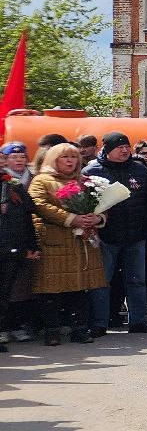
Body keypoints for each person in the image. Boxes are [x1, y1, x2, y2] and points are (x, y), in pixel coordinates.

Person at [27, 143, 107, 345]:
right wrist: (71, 218)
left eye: (74, 157)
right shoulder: (41, 181)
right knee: (52, 289)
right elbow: (40, 206)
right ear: (53, 160)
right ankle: (52, 331)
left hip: (82, 244)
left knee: (80, 289)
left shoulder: (85, 181)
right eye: (65, 157)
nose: (70, 161)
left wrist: (97, 219)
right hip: (53, 242)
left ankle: (79, 328)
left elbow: (101, 205)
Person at [84, 131, 147, 333]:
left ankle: (138, 321)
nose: (125, 150)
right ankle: (99, 323)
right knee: (102, 281)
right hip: (105, 236)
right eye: (119, 147)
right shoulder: (93, 171)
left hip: (136, 235)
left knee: (137, 280)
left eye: (127, 146)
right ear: (107, 149)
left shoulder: (140, 170)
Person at [0, 141, 41, 350]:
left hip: (17, 241)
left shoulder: (17, 184)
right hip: (4, 241)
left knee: (15, 287)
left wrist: (32, 245)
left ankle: (16, 325)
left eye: (21, 157)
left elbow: (29, 214)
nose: (18, 160)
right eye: (12, 157)